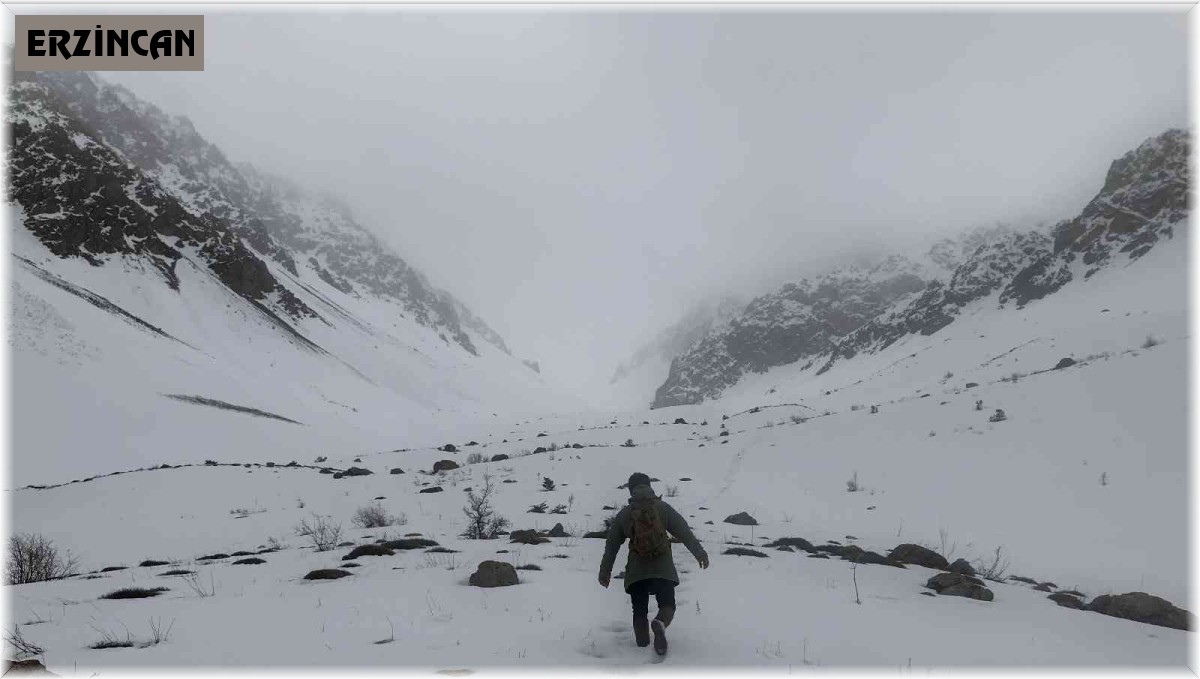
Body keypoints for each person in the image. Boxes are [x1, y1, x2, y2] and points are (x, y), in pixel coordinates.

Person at [598, 472, 709, 655]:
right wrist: (700, 553)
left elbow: (611, 546)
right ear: (649, 486)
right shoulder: (663, 508)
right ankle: (660, 623)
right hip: (662, 568)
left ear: (631, 489)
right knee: (667, 605)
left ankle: (641, 646)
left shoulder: (625, 514)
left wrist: (605, 571)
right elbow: (683, 531)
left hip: (637, 572)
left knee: (639, 611)